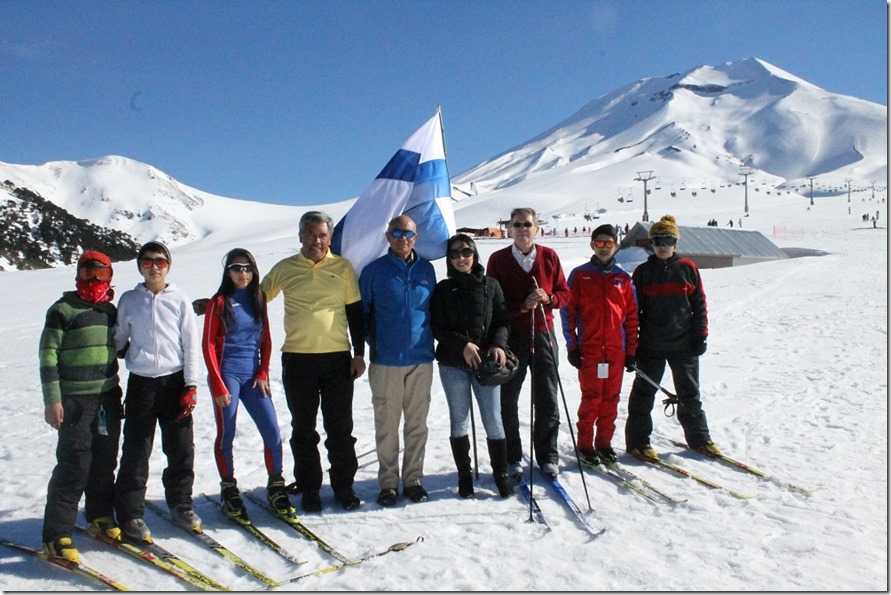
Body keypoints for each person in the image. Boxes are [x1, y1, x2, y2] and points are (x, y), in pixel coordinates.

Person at [261, 211, 365, 512]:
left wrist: (359, 353)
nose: (315, 240)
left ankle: (344, 487)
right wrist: (218, 302)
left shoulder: (343, 268)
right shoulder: (285, 268)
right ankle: (310, 489)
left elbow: (355, 313)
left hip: (337, 361)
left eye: (321, 235)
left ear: (329, 238)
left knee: (340, 428)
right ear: (300, 236)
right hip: (298, 360)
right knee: (303, 430)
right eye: (309, 233)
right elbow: (255, 298)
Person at [113, 241, 202, 543]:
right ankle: (130, 513)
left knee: (180, 447)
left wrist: (191, 385)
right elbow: (119, 340)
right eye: (148, 261)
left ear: (168, 265)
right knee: (137, 449)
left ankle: (181, 505)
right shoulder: (129, 300)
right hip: (142, 384)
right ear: (140, 265)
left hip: (175, 381)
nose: (154, 266)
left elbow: (190, 344)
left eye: (160, 261)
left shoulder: (179, 300)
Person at [39, 251, 124, 563]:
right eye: (89, 273)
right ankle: (56, 535)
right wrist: (52, 400)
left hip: (107, 397)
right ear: (78, 274)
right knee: (74, 465)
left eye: (102, 275)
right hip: (74, 401)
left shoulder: (110, 310)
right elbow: (47, 355)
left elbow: (125, 344)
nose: (95, 281)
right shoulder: (62, 310)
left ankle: (100, 516)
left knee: (104, 462)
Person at [202, 248, 290, 521]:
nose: (243, 273)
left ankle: (276, 485)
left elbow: (266, 340)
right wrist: (218, 385)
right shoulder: (218, 303)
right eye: (237, 268)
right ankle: (228, 488)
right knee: (226, 434)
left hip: (252, 374)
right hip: (226, 373)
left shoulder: (257, 298)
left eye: (247, 268)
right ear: (228, 272)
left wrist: (263, 372)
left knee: (272, 431)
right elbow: (208, 344)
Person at [624, 215, 720, 459]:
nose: (662, 245)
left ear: (676, 242)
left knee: (690, 394)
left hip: (684, 344)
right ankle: (638, 442)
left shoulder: (688, 269)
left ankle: (700, 439)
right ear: (652, 244)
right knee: (643, 394)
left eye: (667, 240)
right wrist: (632, 348)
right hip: (651, 345)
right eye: (657, 241)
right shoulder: (643, 272)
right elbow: (633, 312)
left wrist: (701, 335)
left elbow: (699, 305)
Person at [486, 208, 570, 479]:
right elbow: (493, 304)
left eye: (528, 224)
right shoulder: (497, 260)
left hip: (544, 334)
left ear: (537, 228)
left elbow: (565, 294)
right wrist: (522, 306)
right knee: (508, 399)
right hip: (511, 338)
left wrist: (549, 299)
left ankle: (548, 455)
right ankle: (513, 456)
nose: (522, 229)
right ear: (509, 228)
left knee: (547, 396)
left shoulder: (549, 257)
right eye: (517, 224)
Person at [359, 215, 436, 507]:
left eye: (408, 233)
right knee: (387, 425)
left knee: (417, 424)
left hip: (421, 360)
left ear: (416, 237)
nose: (403, 237)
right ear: (388, 236)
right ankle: (388, 483)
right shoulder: (373, 271)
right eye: (397, 232)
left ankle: (413, 480)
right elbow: (363, 314)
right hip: (386, 362)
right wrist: (377, 343)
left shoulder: (427, 270)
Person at [431, 234, 513, 499]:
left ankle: (500, 474)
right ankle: (464, 475)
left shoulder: (492, 285)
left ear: (474, 253)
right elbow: (438, 327)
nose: (461, 258)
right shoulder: (443, 289)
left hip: (486, 365)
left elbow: (502, 320)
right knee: (459, 420)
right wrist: (463, 345)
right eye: (454, 254)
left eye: (466, 252)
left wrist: (498, 344)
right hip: (453, 363)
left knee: (493, 420)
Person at [561, 225, 638, 466]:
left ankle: (604, 443)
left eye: (609, 243)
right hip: (590, 350)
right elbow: (568, 313)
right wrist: (573, 346)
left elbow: (632, 317)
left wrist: (631, 352)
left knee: (611, 399)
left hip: (616, 351)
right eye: (599, 243)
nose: (604, 248)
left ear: (616, 245)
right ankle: (585, 444)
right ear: (592, 245)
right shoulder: (580, 275)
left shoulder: (623, 278)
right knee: (591, 398)